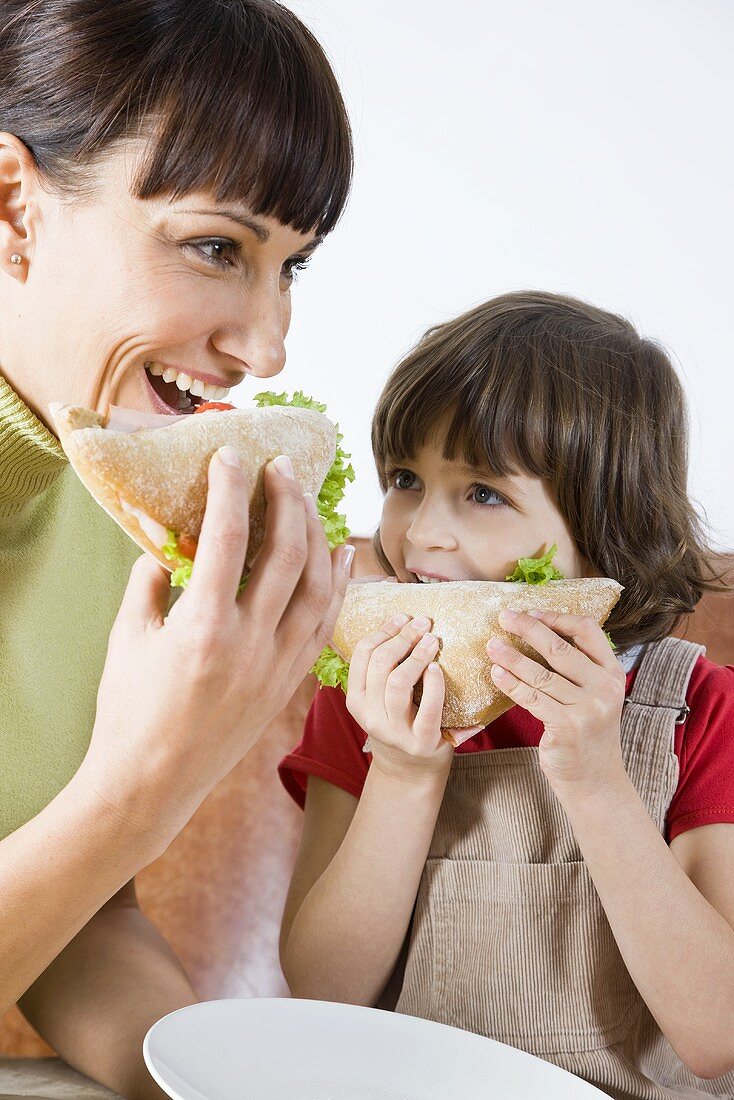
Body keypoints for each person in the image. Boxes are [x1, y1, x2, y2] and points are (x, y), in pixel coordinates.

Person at [0, 1, 353, 1097]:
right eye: (216, 247)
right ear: (13, 207)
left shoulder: (125, 495)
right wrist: (148, 779)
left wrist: (216, 1079)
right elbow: (107, 822)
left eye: (289, 266)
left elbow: (79, 915)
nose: (266, 343)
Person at [279, 291, 734, 1098]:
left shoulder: (703, 709)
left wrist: (595, 779)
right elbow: (324, 991)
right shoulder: (365, 696)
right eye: (406, 479)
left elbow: (717, 1035)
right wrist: (405, 771)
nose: (421, 534)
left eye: (483, 493)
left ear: (604, 525)